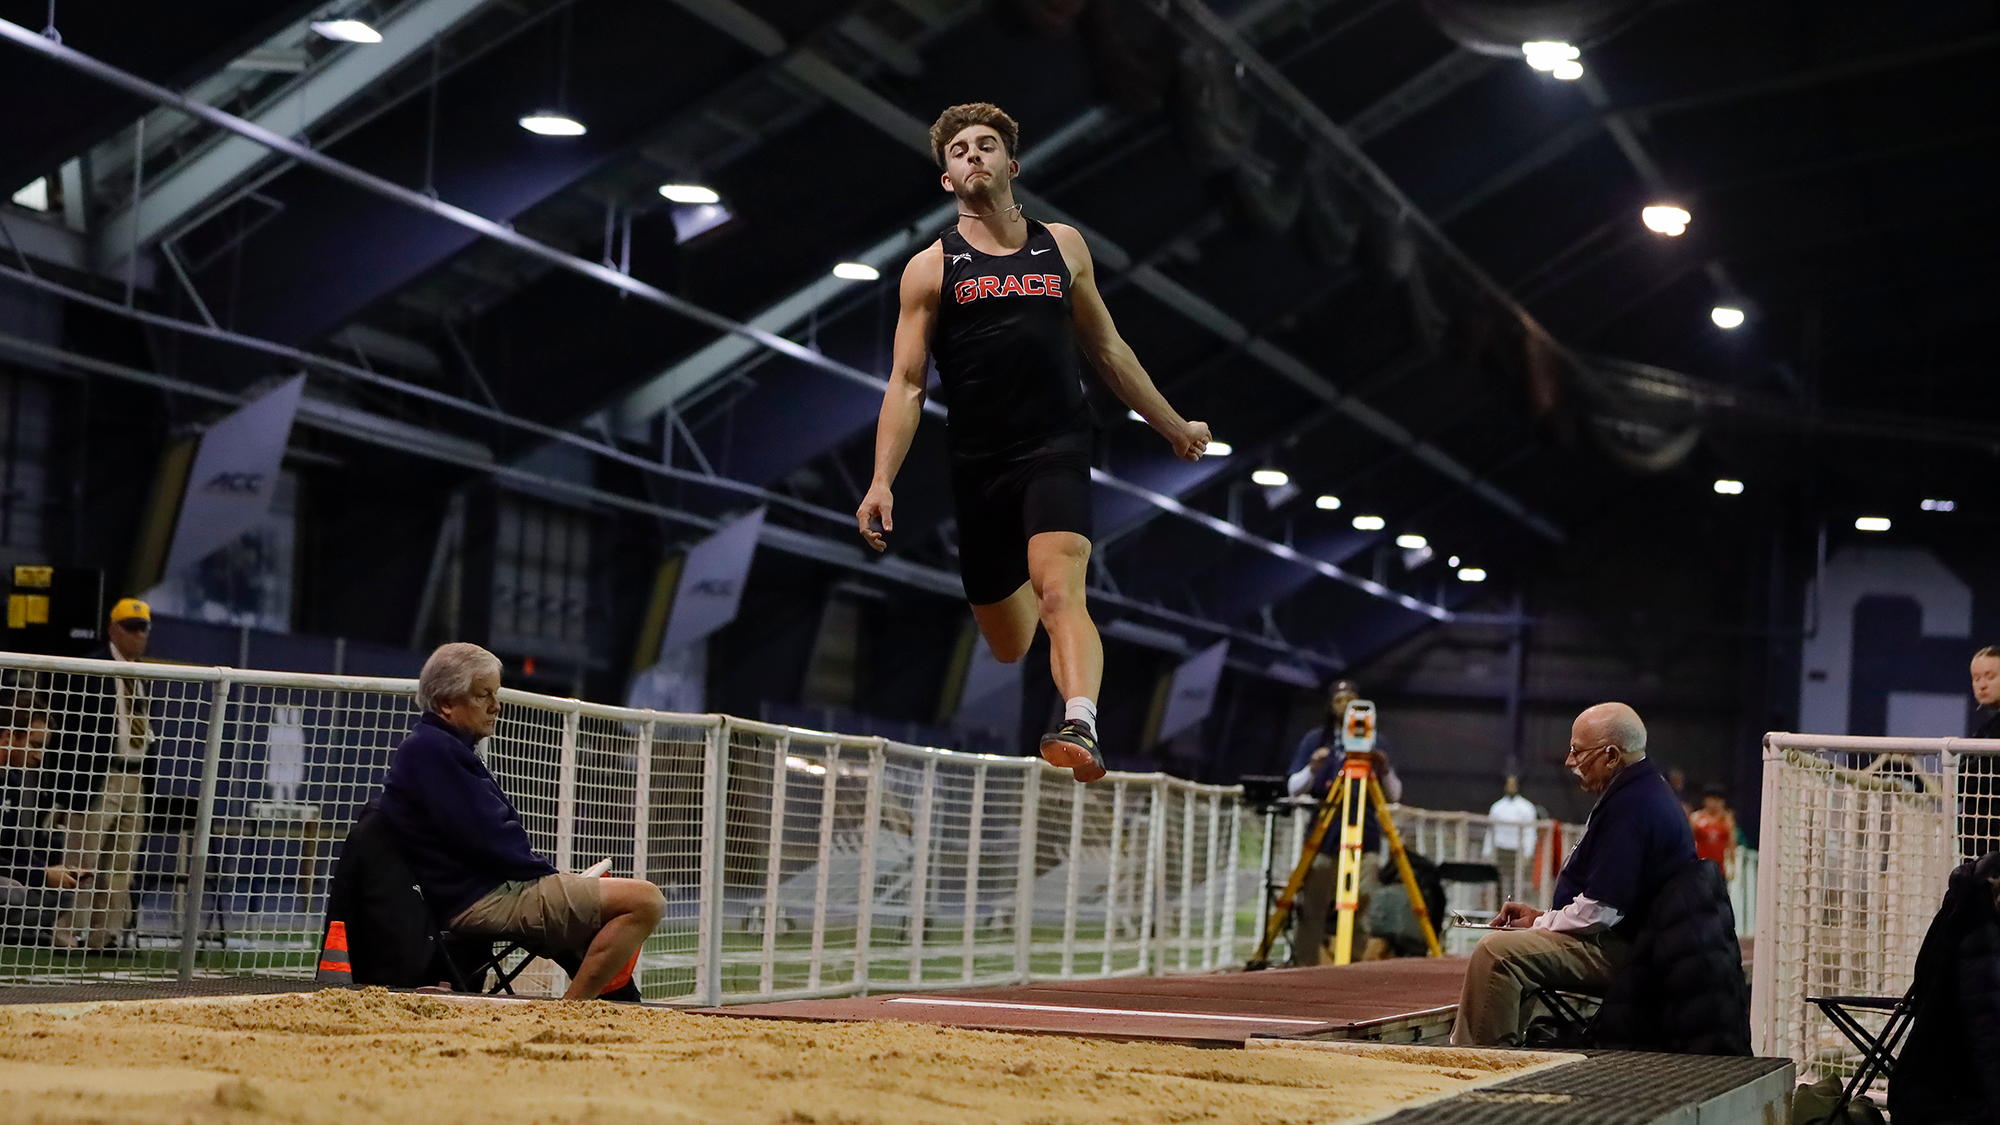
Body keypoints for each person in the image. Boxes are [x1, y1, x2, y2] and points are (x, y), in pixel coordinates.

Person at [856, 103, 1211, 783]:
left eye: (986, 145)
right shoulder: (929, 269)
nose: (973, 156)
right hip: (979, 463)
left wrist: (1173, 425)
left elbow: (1107, 348)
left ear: (1011, 165)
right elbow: (905, 384)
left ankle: (1081, 721)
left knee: (1060, 593)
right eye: (958, 151)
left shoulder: (1062, 246)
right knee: (1010, 640)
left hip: (1056, 446)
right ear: (946, 179)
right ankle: (1025, 593)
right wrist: (881, 481)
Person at [378, 643, 665, 1000]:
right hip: (480, 899)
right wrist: (548, 874)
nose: (495, 706)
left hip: (484, 891)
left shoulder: (440, 748)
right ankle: (572, 1010)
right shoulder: (433, 750)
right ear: (446, 702)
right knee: (645, 900)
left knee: (595, 916)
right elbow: (491, 840)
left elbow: (490, 838)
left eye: (494, 694)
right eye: (484, 695)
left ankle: (618, 1006)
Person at [1450, 702, 1696, 1047]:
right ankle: (1507, 1055)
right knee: (1511, 947)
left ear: (1611, 756)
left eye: (1578, 752)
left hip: (1631, 953)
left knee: (1497, 953)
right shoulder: (1643, 792)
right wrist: (1543, 917)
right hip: (1640, 943)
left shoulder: (1631, 808)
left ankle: (1476, 1063)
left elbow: (1599, 912)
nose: (1570, 763)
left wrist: (1540, 924)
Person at [50, 598, 154, 951]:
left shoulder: (143, 674)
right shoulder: (91, 667)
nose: (139, 636)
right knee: (82, 859)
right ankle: (64, 932)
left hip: (134, 777)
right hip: (99, 775)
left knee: (122, 863)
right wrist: (66, 788)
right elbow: (69, 727)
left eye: (143, 629)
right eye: (132, 628)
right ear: (113, 629)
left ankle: (103, 935)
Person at [1283, 681, 1401, 966]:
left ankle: (1353, 966)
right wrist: (1312, 767)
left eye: (1352, 699)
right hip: (1324, 837)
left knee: (1362, 902)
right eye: (1340, 699)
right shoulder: (1316, 740)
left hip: (1366, 835)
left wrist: (1382, 769)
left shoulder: (1376, 743)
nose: (1346, 705)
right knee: (1312, 906)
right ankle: (1305, 965)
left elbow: (1394, 795)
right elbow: (1293, 788)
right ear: (1331, 705)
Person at [0, 685, 80, 942]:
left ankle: (14, 934)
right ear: (8, 737)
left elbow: (14, 849)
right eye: (35, 744)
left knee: (62, 893)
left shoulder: (11, 782)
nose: (40, 754)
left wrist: (50, 870)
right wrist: (40, 875)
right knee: (12, 893)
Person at [1483, 775, 1538, 905]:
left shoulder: (1526, 807)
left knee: (1516, 882)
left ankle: (1513, 906)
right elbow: (1491, 831)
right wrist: (1487, 851)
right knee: (1498, 881)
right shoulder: (1497, 807)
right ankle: (1498, 907)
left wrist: (1528, 853)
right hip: (1501, 849)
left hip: (1516, 850)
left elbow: (1530, 832)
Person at [1689, 784, 1736, 881]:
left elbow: (1731, 843)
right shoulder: (1697, 818)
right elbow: (1689, 841)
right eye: (1711, 799)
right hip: (1701, 868)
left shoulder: (1727, 820)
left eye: (1717, 800)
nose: (1714, 803)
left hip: (1719, 869)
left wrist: (1732, 865)